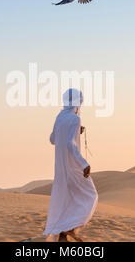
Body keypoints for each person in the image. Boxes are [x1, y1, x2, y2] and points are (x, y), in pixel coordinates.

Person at [44, 88, 98, 242]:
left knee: (68, 197)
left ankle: (63, 233)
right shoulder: (75, 119)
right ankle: (69, 229)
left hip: (60, 167)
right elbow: (70, 144)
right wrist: (84, 164)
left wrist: (73, 131)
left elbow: (52, 139)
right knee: (90, 195)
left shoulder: (60, 117)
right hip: (73, 165)